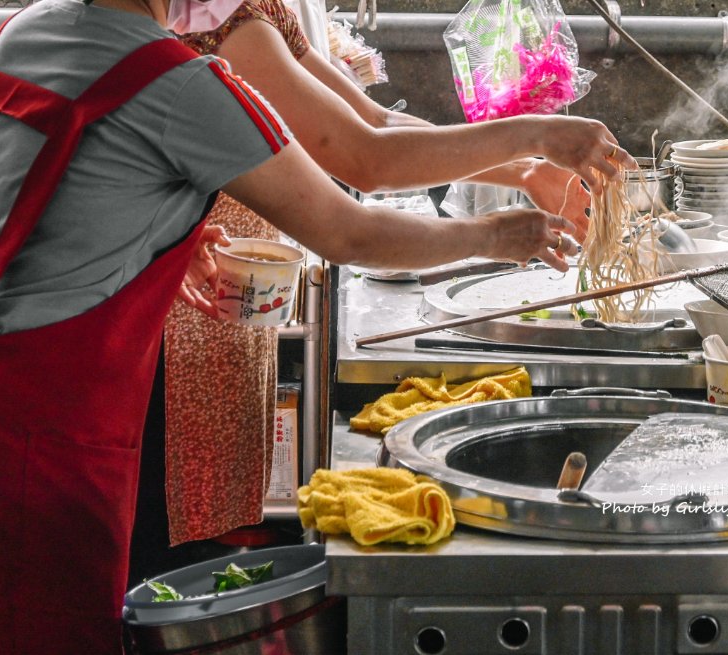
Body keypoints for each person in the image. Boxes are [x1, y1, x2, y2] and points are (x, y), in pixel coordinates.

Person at [0, 0, 632, 652]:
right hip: (37, 457)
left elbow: (45, 193)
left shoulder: (21, 33)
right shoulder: (173, 80)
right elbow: (351, 225)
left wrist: (162, 231)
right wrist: (499, 235)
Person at [152, 0, 637, 560]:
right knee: (173, 539)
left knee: (207, 522)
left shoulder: (259, 12)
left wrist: (525, 169)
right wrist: (535, 140)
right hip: (187, 312)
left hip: (232, 300)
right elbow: (364, 160)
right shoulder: (226, 27)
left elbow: (376, 122)